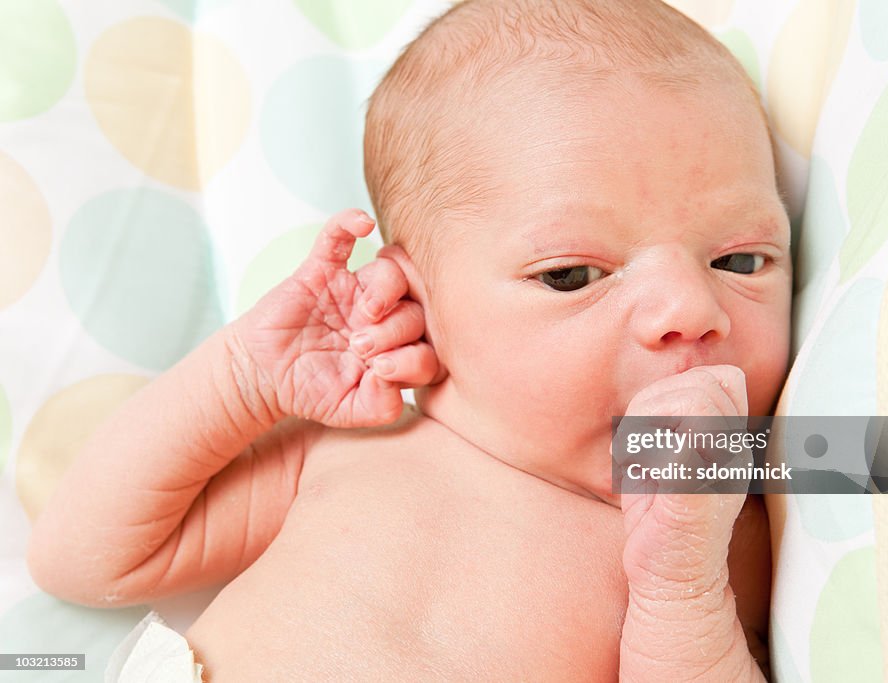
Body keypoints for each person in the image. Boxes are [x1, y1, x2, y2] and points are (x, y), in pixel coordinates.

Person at [28, 0, 789, 679]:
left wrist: (680, 588)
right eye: (570, 275)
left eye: (740, 260)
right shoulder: (357, 441)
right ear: (419, 299)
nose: (690, 309)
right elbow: (80, 559)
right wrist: (241, 382)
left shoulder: (724, 510)